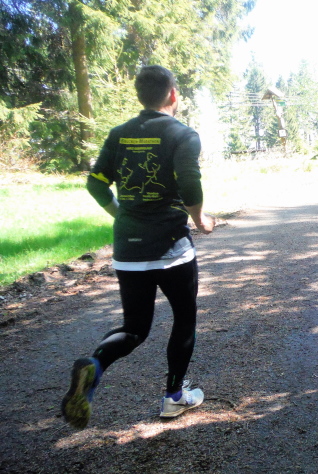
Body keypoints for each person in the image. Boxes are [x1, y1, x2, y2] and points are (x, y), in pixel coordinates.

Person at [61, 65, 215, 429]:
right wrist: (200, 219)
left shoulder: (119, 134)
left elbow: (96, 183)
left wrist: (122, 216)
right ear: (172, 94)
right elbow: (189, 185)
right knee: (184, 318)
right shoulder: (182, 134)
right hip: (172, 248)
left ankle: (95, 363)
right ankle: (174, 397)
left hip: (128, 250)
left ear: (140, 96)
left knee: (134, 327)